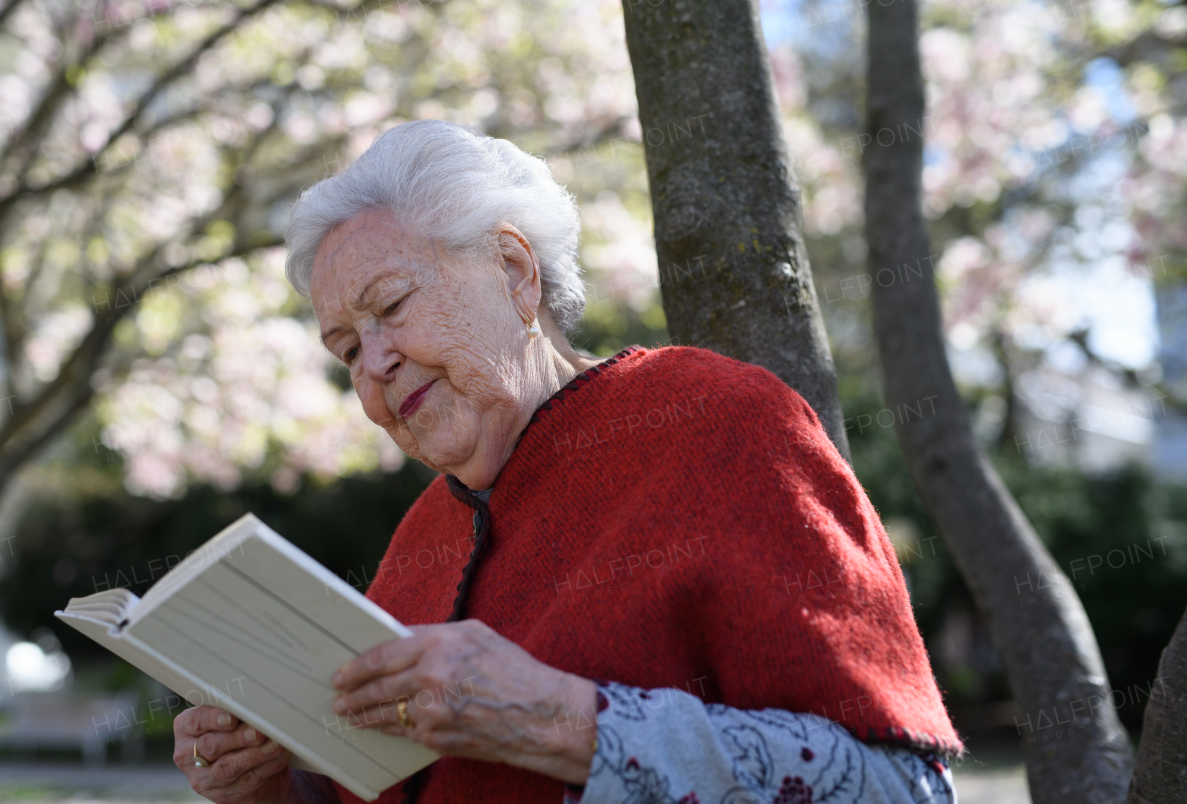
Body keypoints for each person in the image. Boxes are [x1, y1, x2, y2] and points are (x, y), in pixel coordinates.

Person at [171, 120, 963, 804]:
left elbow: (893, 785)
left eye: (391, 307)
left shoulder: (717, 424)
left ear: (514, 273)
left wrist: (556, 719)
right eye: (346, 348)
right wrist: (269, 784)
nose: (372, 362)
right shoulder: (421, 536)